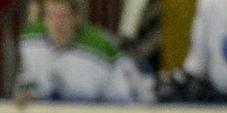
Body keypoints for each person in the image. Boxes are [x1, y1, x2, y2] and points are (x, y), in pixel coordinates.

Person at [13, 0, 148, 104]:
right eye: (51, 16)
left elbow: (131, 99)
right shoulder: (31, 41)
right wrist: (26, 92)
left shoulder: (101, 49)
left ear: (77, 18)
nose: (56, 24)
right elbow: (28, 80)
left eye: (63, 16)